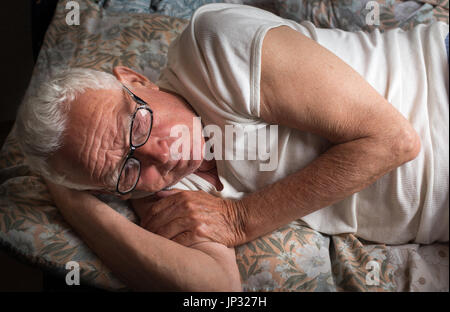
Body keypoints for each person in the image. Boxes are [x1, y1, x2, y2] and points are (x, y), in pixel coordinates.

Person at [16, 3, 448, 291]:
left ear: (135, 79)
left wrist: (241, 219)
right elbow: (218, 291)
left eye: (139, 124)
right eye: (124, 170)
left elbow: (392, 140)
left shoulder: (212, 48)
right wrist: (75, 205)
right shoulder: (151, 188)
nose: (161, 156)